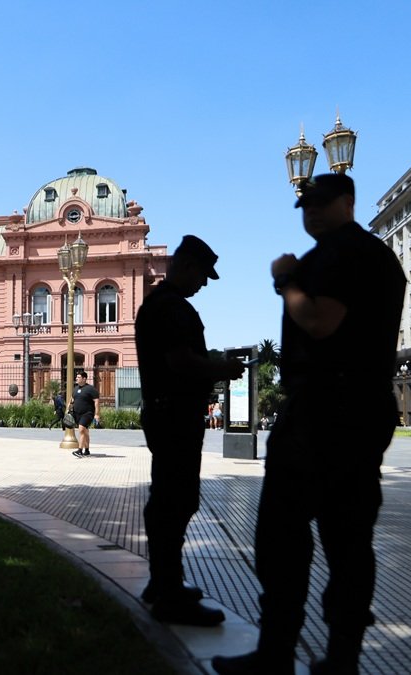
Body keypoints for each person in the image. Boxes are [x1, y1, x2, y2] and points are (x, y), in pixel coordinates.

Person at [212, 174, 406, 675]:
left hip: (325, 413)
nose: (310, 212)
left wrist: (285, 280)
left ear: (349, 201)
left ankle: (278, 653)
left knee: (283, 536)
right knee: (348, 538)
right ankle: (341, 659)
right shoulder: (369, 254)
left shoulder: (345, 254)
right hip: (357, 411)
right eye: (304, 205)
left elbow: (320, 321)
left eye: (320, 203)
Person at [135, 234, 245, 626]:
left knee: (168, 497)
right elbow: (181, 362)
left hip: (165, 414)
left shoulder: (156, 305)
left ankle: (162, 582)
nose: (203, 284)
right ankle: (168, 592)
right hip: (175, 416)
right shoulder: (173, 308)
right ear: (186, 267)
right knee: (175, 501)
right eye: (202, 276)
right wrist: (222, 368)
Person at [69, 371, 100, 457]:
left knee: (81, 429)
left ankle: (80, 450)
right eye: (76, 377)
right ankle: (87, 450)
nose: (76, 378)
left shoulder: (91, 389)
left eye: (78, 377)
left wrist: (97, 414)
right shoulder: (75, 389)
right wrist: (68, 409)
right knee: (85, 431)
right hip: (77, 414)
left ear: (84, 379)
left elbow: (96, 402)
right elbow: (72, 400)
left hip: (87, 413)